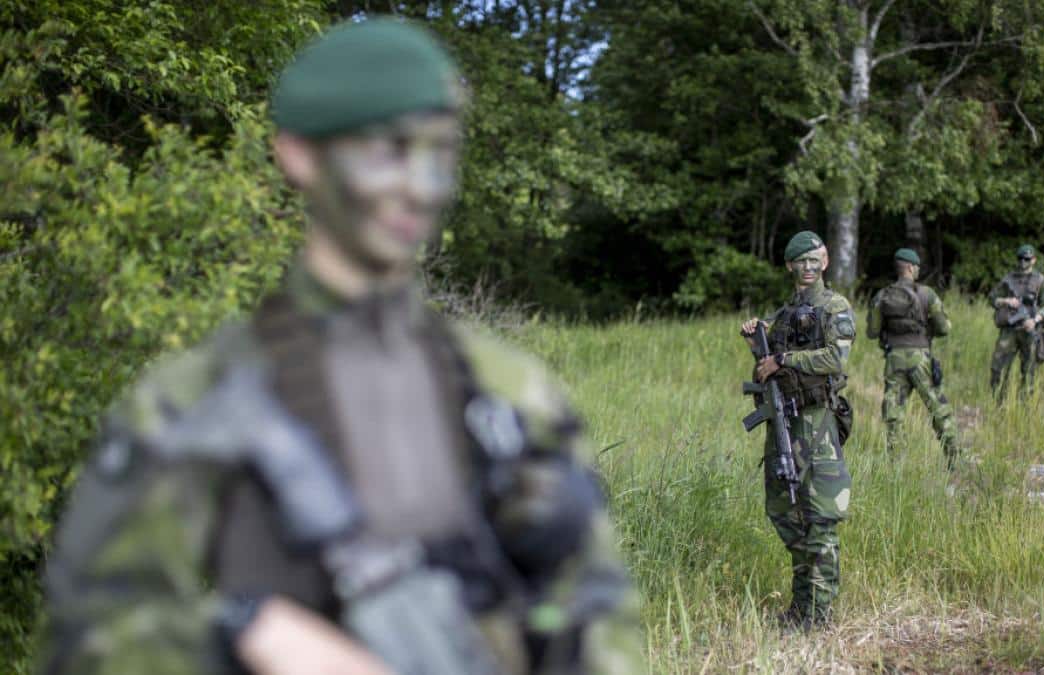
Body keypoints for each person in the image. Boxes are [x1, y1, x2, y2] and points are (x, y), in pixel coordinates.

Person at [37, 17, 642, 675]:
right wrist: (239, 640)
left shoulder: (509, 389)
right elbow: (90, 637)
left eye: (438, 152)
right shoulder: (195, 400)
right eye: (386, 149)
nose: (418, 184)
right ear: (299, 154)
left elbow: (601, 607)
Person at [738, 231, 854, 631]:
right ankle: (802, 606)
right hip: (783, 421)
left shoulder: (834, 306)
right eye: (798, 261)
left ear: (824, 261)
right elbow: (768, 354)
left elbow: (835, 359)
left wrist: (783, 358)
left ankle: (818, 615)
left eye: (813, 260)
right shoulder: (785, 313)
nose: (806, 267)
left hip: (818, 423)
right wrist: (759, 338)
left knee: (821, 517)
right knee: (784, 510)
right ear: (789, 266)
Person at [866, 248, 959, 469]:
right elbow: (944, 328)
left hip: (894, 360)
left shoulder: (882, 296)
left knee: (894, 412)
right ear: (910, 267)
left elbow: (872, 331)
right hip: (921, 358)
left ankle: (896, 462)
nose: (917, 270)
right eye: (916, 267)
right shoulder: (927, 294)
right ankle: (954, 459)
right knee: (937, 406)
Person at [988, 244, 1044, 399]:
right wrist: (1006, 301)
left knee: (1029, 372)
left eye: (1027, 259)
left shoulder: (1041, 281)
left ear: (1034, 260)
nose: (1023, 262)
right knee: (998, 368)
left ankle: (1024, 408)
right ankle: (998, 404)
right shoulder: (1008, 279)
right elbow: (992, 298)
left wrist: (1035, 320)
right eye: (1020, 258)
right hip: (1009, 330)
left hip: (1030, 330)